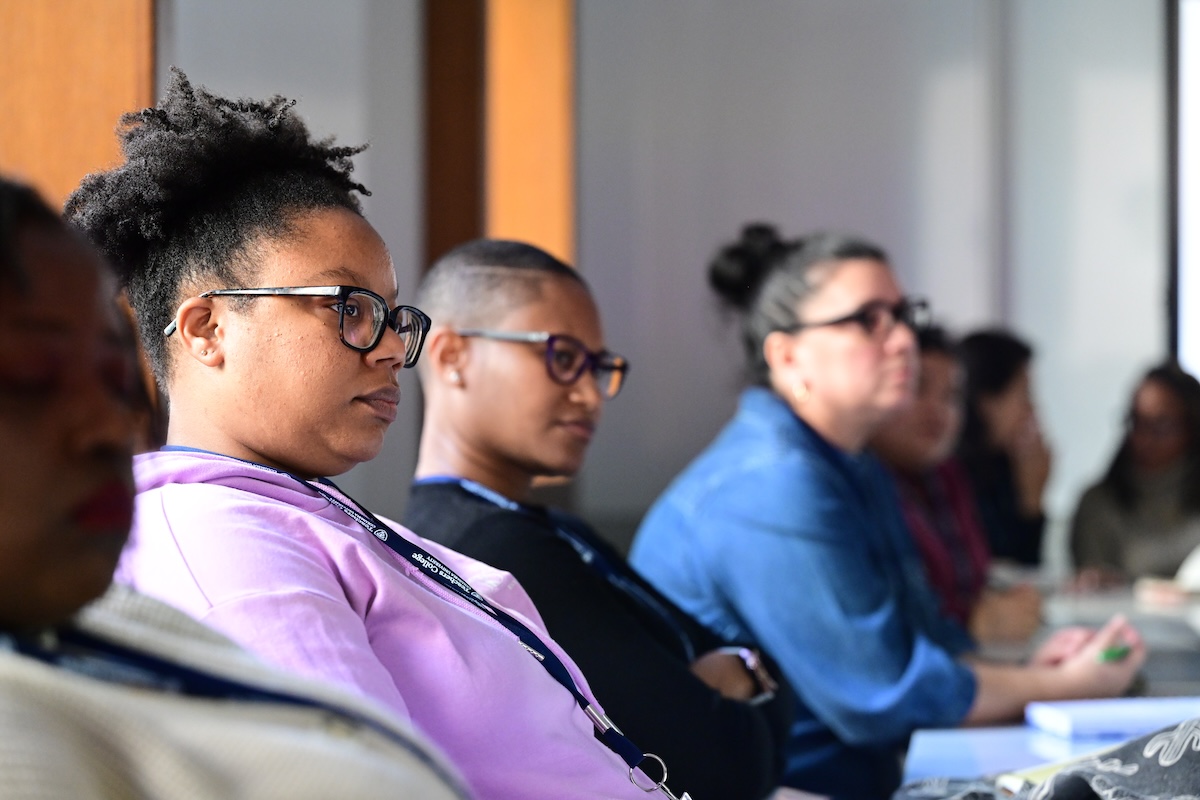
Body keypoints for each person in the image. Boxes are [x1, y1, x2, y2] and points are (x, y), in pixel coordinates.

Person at [66, 71, 682, 800]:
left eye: (394, 317)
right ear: (208, 329)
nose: (391, 348)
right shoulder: (223, 545)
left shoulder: (310, 513)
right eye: (350, 309)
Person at [629, 223, 1145, 799]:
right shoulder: (770, 482)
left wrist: (1037, 676)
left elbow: (924, 639)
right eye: (869, 321)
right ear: (788, 355)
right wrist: (1065, 687)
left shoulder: (854, 464)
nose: (904, 340)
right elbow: (881, 694)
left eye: (903, 315)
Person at [0, 175, 470, 799]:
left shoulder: (117, 627)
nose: (113, 424)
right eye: (35, 376)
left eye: (117, 379)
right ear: (206, 330)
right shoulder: (218, 542)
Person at [405, 238, 794, 800]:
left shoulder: (553, 529)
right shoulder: (490, 552)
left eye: (598, 366)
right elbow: (719, 770)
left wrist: (736, 673)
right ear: (451, 357)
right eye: (562, 358)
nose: (591, 395)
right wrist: (738, 677)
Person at [869, 326, 1041, 643]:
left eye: (951, 397)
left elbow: (974, 583)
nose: (937, 411)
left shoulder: (946, 475)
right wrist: (972, 624)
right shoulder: (862, 483)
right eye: (917, 388)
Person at [1070, 362, 1200, 581]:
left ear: (1192, 428)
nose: (1145, 439)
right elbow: (1091, 587)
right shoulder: (1100, 504)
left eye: (1161, 426)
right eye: (1137, 422)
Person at [957, 329, 1053, 566]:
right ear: (986, 400)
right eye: (1023, 394)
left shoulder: (1006, 466)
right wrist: (1031, 497)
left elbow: (1025, 572)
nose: (1031, 409)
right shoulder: (948, 474)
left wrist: (1032, 497)